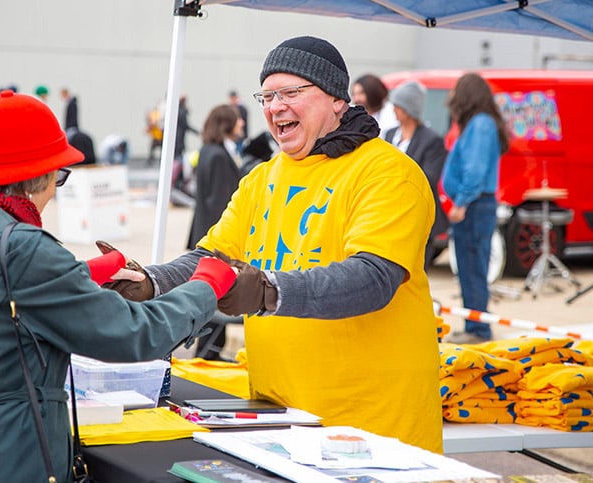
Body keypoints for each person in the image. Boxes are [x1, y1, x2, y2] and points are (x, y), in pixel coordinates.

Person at [102, 36, 443, 454]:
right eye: (267, 95)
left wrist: (268, 291)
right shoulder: (263, 177)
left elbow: (372, 279)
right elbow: (213, 259)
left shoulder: (388, 174)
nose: (275, 106)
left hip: (371, 425)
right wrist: (151, 282)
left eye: (292, 92)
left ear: (337, 100)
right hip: (278, 418)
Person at [0, 90, 236, 482]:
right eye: (59, 176)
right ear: (31, 179)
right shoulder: (24, 251)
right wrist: (206, 285)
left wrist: (78, 275)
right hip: (1, 455)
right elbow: (134, 333)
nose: (54, 190)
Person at [441, 73, 509, 344]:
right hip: (474, 204)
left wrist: (461, 202)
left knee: (472, 267)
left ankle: (478, 328)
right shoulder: (478, 124)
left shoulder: (481, 125)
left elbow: (475, 169)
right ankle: (473, 322)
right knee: (468, 266)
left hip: (474, 205)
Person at [186, 104, 245, 360]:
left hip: (203, 230)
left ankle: (209, 350)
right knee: (217, 295)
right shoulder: (220, 156)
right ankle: (209, 352)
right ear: (226, 124)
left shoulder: (208, 151)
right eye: (237, 120)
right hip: (216, 238)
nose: (242, 123)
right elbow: (222, 202)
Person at [384, 81, 448, 270]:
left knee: (416, 270)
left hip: (418, 214)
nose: (393, 109)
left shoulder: (431, 140)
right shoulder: (389, 135)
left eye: (397, 105)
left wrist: (393, 179)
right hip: (391, 213)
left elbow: (429, 177)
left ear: (408, 109)